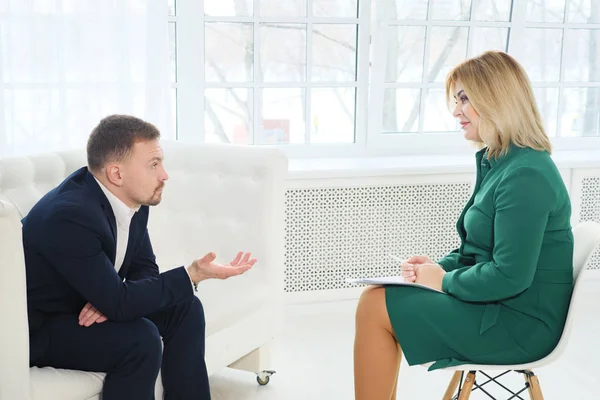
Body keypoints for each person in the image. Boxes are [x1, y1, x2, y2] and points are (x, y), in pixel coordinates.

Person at [353, 51, 574, 400]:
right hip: (502, 307)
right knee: (374, 298)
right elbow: (480, 249)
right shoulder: (502, 162)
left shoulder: (526, 174)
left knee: (374, 306)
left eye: (464, 99)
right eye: (456, 100)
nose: (456, 111)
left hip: (518, 324)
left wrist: (442, 281)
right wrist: (438, 267)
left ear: (496, 99)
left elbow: (510, 275)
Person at [23, 115, 256, 400]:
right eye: (153, 165)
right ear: (116, 173)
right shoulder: (71, 216)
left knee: (186, 307)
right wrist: (191, 274)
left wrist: (111, 300)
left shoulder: (132, 198)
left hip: (85, 304)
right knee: (140, 339)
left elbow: (144, 268)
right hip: (43, 328)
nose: (164, 175)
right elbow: (120, 301)